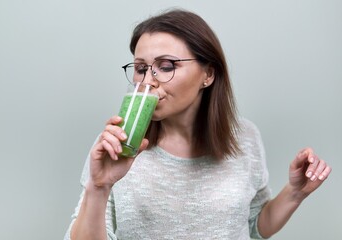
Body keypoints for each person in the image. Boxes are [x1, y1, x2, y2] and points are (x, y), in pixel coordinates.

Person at [64, 9, 332, 240]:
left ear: (208, 75)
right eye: (141, 67)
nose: (148, 81)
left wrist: (295, 192)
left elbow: (254, 226)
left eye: (166, 66)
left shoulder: (246, 137)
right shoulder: (116, 145)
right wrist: (98, 188)